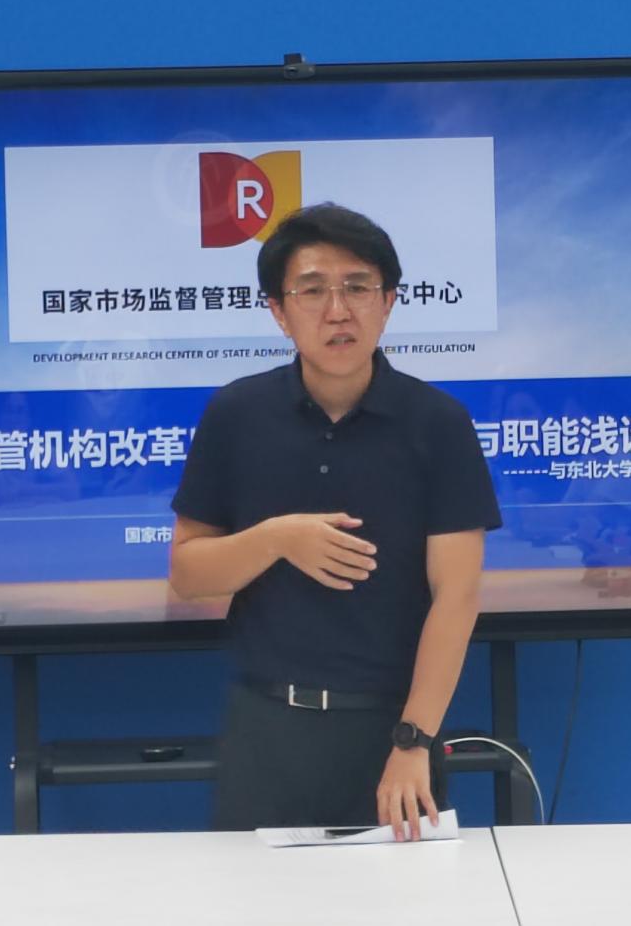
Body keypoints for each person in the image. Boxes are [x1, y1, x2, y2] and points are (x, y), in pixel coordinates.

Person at [169, 204, 501, 840]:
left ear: (389, 301)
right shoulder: (236, 414)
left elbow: (457, 596)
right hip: (266, 729)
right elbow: (188, 574)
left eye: (357, 287)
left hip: (394, 733)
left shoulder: (439, 424)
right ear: (278, 310)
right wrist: (277, 539)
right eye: (312, 290)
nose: (338, 310)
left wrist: (413, 740)